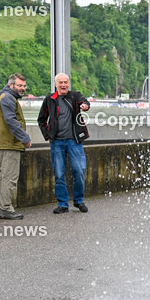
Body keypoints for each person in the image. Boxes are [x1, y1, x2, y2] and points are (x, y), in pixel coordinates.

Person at [38, 73, 91, 214]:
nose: (63, 85)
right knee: (59, 173)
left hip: (74, 141)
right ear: (56, 84)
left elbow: (84, 102)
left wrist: (85, 106)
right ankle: (62, 203)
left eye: (65, 82)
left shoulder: (74, 96)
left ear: (69, 83)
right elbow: (41, 119)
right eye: (60, 82)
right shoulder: (50, 99)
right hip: (57, 142)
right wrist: (47, 135)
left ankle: (79, 201)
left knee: (79, 170)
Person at [0, 73, 32, 220]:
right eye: (19, 86)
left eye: (24, 86)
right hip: (10, 143)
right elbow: (11, 121)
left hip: (8, 142)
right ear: (11, 85)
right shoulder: (8, 98)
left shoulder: (6, 97)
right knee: (9, 177)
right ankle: (6, 209)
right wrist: (25, 137)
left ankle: (2, 206)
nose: (22, 88)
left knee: (5, 176)